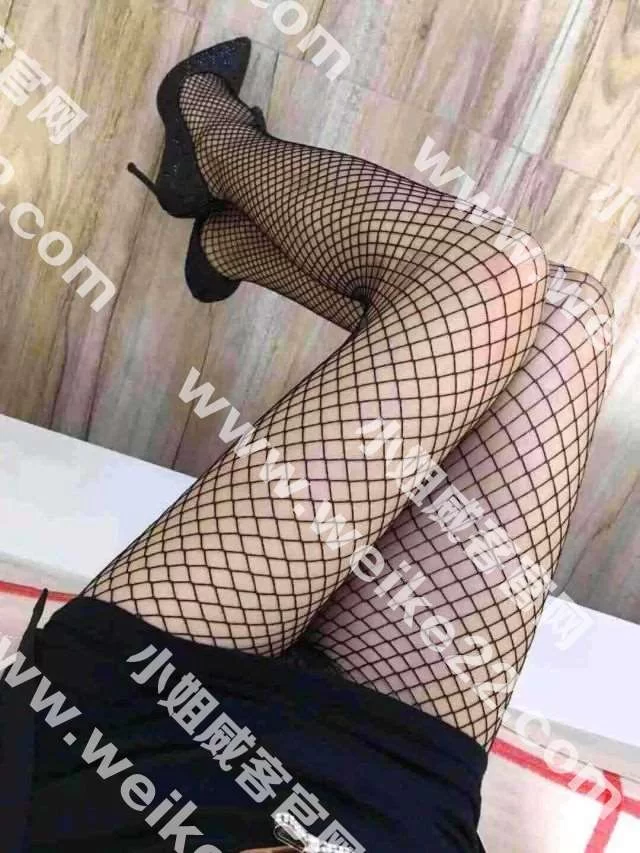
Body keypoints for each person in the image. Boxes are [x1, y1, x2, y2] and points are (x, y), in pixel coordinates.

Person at [0, 37, 613, 853]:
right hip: (390, 813)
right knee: (569, 318)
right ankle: (228, 237)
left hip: (122, 762)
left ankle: (220, 156)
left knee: (486, 276)